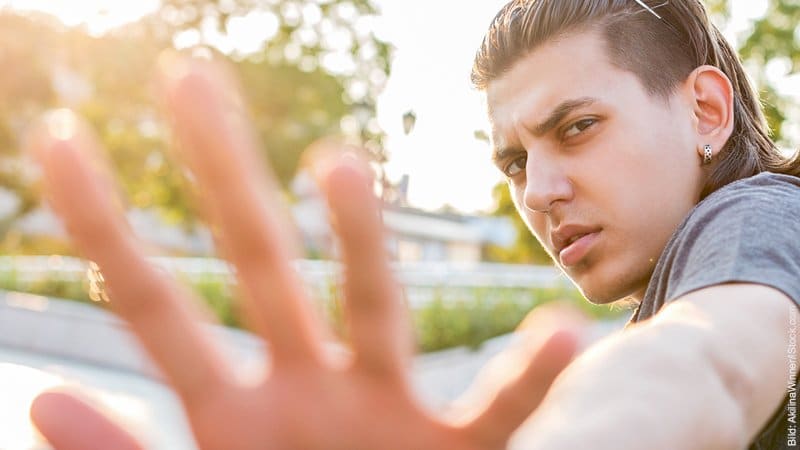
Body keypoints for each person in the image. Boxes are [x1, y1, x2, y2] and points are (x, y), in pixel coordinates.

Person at [21, 0, 800, 448]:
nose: (539, 193)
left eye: (576, 127)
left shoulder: (759, 217)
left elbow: (702, 364)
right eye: (515, 163)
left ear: (706, 110)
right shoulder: (671, 286)